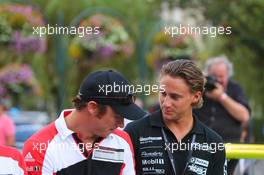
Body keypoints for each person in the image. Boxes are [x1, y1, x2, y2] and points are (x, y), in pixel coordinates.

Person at [22, 70, 146, 175]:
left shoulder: (122, 140)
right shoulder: (38, 146)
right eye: (118, 116)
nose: (121, 124)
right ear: (93, 107)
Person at [125, 59, 227, 175]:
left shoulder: (213, 141)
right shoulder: (134, 132)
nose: (166, 103)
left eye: (175, 97)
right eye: (163, 94)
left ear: (196, 97)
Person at [193, 56, 250, 174]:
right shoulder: (199, 89)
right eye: (214, 76)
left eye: (221, 76)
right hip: (200, 147)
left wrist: (222, 97)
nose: (217, 80)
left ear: (228, 76)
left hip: (230, 148)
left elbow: (244, 116)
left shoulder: (235, 89)